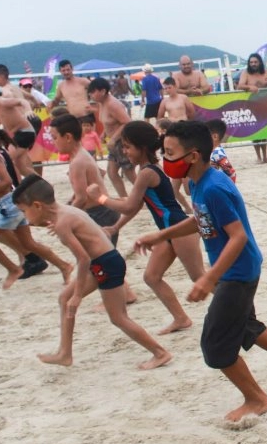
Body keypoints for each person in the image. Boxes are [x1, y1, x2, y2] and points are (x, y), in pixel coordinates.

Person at [133, 121, 267, 423]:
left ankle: (257, 399)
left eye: (169, 153)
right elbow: (201, 219)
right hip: (234, 269)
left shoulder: (214, 186)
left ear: (192, 156)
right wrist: (159, 235)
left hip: (237, 273)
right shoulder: (197, 181)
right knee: (246, 327)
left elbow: (238, 236)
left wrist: (208, 278)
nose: (164, 159)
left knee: (215, 346)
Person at [12, 175, 172, 370]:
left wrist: (78, 295)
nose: (24, 217)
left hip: (105, 265)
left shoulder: (62, 224)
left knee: (118, 317)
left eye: (24, 211)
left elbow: (83, 259)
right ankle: (65, 353)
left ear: (37, 206)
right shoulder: (66, 212)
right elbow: (86, 230)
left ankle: (160, 353)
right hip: (104, 262)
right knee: (64, 298)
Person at [87, 121, 206, 335]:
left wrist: (101, 198)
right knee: (151, 277)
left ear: (141, 148)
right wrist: (116, 226)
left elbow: (130, 204)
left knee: (200, 278)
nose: (124, 151)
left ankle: (241, 311)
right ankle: (181, 318)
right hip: (166, 231)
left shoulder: (147, 173)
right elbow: (139, 203)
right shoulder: (146, 170)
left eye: (127, 147)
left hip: (179, 228)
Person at [0, 125, 72, 289]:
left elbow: (7, 181)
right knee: (29, 244)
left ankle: (13, 269)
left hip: (8, 207)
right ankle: (64, 266)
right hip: (10, 205)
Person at [49, 113, 138, 306]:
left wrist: (63, 218)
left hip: (100, 213)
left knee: (98, 259)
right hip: (100, 211)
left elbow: (82, 197)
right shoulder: (81, 157)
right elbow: (79, 194)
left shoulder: (78, 161)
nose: (53, 142)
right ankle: (126, 293)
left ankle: (118, 296)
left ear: (68, 137)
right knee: (103, 257)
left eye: (55, 137)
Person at [88, 77, 136, 198]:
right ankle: (124, 198)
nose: (91, 94)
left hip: (123, 142)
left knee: (129, 172)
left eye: (93, 91)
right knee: (112, 173)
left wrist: (114, 138)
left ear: (103, 91)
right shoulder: (102, 103)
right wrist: (104, 133)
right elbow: (110, 122)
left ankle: (148, 197)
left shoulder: (113, 104)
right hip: (114, 143)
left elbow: (127, 122)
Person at [235, 52, 267, 164]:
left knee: (264, 132)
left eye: (255, 62)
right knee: (255, 132)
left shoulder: (266, 72)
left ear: (259, 62)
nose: (253, 64)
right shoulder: (245, 73)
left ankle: (265, 156)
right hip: (251, 105)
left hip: (265, 105)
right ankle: (258, 157)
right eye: (251, 62)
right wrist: (250, 87)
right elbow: (239, 86)